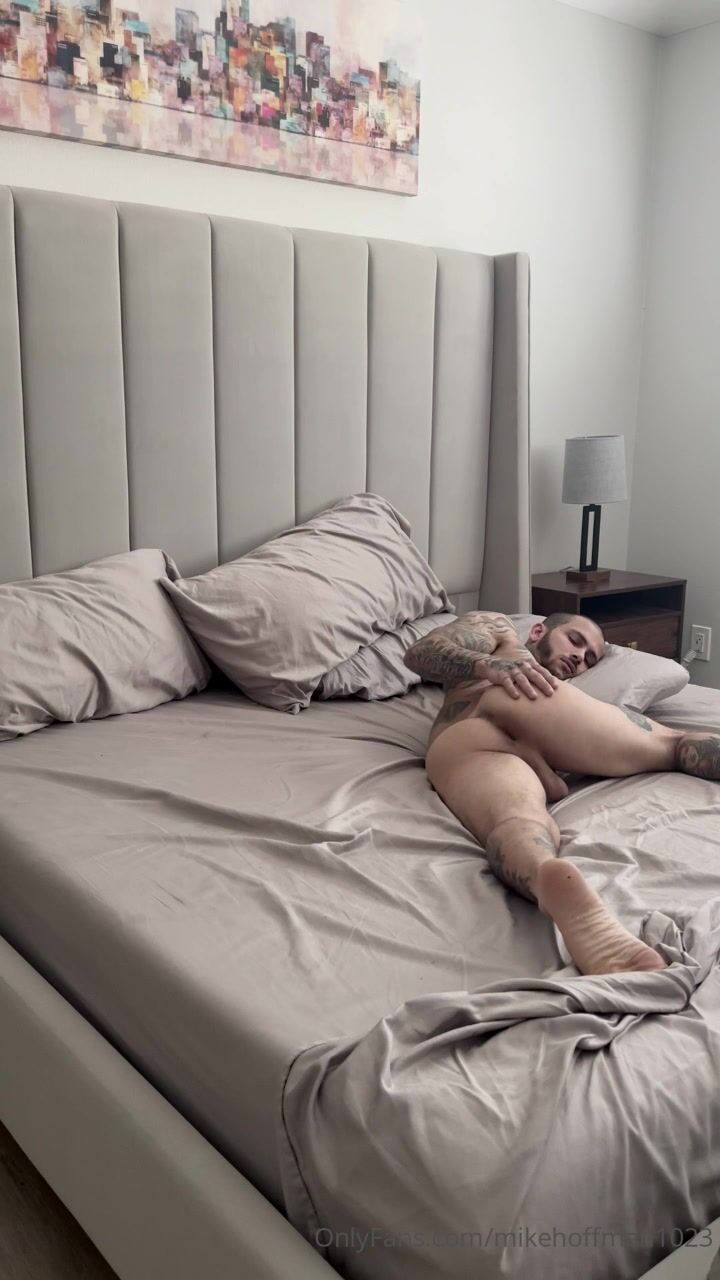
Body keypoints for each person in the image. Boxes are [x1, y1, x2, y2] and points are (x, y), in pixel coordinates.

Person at [405, 611, 720, 977]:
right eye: (575, 640)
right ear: (538, 630)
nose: (579, 656)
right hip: (523, 697)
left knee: (516, 820)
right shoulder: (500, 628)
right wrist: (491, 666)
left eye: (589, 659)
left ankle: (550, 882)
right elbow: (421, 652)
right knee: (673, 743)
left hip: (455, 741)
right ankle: (559, 890)